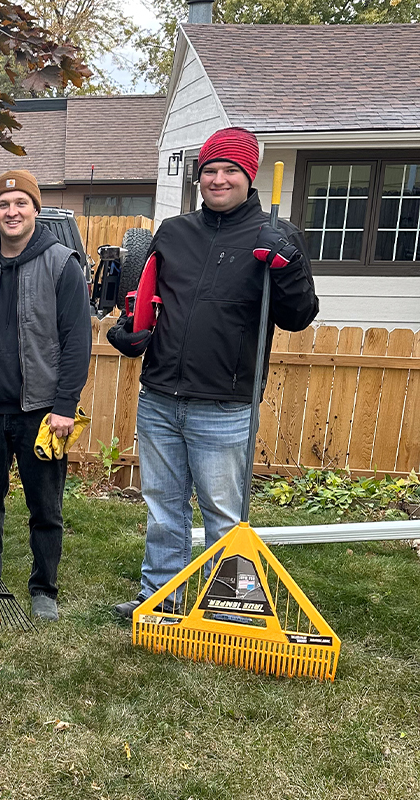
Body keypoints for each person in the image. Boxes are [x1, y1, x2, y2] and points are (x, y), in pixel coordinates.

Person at [109, 127, 319, 622]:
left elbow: (298, 316)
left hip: (225, 403)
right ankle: (161, 598)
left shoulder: (276, 234)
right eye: (210, 171)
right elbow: (144, 300)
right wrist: (127, 332)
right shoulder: (173, 232)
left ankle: (229, 608)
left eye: (230, 170)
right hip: (160, 395)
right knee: (163, 508)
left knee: (223, 513)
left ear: (250, 176)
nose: (218, 179)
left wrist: (286, 266)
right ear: (198, 177)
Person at [0, 169, 92, 622]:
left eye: (20, 203)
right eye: (3, 205)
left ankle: (44, 588)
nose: (12, 212)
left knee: (45, 507)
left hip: (41, 411)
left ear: (35, 209)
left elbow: (77, 341)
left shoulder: (62, 263)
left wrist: (65, 406)